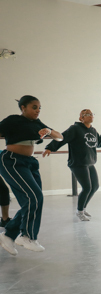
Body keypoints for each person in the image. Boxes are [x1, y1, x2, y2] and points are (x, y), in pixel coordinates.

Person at [0, 95, 63, 255]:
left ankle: (8, 235)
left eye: (40, 107)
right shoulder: (13, 120)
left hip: (30, 163)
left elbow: (60, 136)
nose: (38, 110)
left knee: (35, 199)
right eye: (34, 107)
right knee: (34, 197)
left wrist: (48, 131)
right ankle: (27, 236)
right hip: (12, 161)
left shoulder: (37, 123)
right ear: (23, 108)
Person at [43, 109, 101, 221]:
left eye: (91, 114)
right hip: (78, 163)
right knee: (87, 187)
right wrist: (50, 148)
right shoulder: (75, 129)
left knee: (94, 187)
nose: (90, 116)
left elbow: (99, 143)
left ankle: (83, 209)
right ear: (81, 118)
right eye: (87, 114)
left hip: (89, 162)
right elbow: (62, 138)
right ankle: (79, 212)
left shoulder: (93, 130)